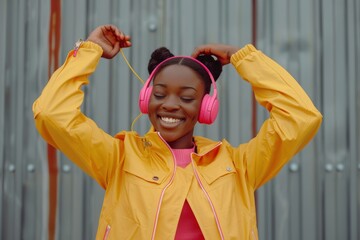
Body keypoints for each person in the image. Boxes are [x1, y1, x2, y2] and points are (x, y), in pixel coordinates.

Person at [33, 24, 322, 239]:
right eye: (160, 94)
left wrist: (242, 57)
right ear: (146, 99)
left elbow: (300, 117)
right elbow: (51, 113)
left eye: (186, 98)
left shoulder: (238, 167)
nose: (170, 105)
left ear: (206, 107)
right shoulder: (118, 158)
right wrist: (89, 51)